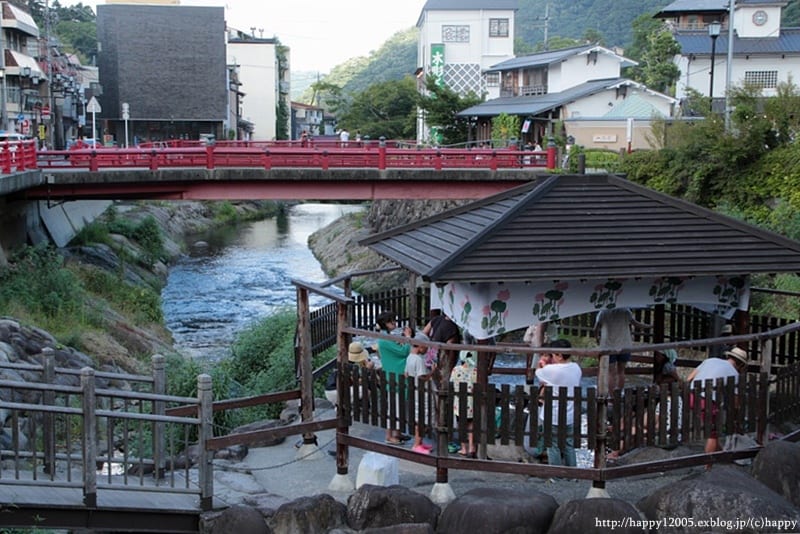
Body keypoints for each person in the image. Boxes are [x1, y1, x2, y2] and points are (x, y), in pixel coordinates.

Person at [685, 346, 749, 459]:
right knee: (713, 434)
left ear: (729, 356)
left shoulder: (710, 360)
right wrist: (736, 416)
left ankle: (720, 454)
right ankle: (708, 466)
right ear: (741, 365)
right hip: (707, 401)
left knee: (713, 430)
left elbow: (689, 378)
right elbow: (735, 401)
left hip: (691, 395)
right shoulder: (734, 373)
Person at [535, 339, 582, 467]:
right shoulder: (576, 368)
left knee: (552, 446)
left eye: (554, 355)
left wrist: (542, 364)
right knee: (568, 445)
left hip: (552, 414)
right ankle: (573, 473)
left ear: (560, 356)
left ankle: (555, 475)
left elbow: (538, 373)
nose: (553, 358)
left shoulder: (552, 370)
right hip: (569, 414)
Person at [376, 310, 413, 444]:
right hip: (395, 375)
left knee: (399, 405)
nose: (395, 323)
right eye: (392, 321)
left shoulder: (386, 337)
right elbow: (404, 351)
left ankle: (397, 433)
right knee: (394, 406)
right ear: (386, 323)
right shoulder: (385, 339)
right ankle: (389, 436)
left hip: (396, 374)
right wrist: (408, 337)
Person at [594, 307, 651, 391]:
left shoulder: (603, 312)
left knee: (611, 373)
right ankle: (619, 393)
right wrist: (650, 326)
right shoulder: (625, 311)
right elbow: (636, 324)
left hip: (608, 345)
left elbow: (595, 328)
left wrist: (597, 339)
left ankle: (611, 396)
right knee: (621, 372)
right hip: (624, 345)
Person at [405, 333, 434, 454]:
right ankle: (416, 444)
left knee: (419, 418)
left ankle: (420, 442)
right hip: (422, 393)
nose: (427, 350)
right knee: (422, 420)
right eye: (426, 347)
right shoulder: (419, 360)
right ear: (421, 346)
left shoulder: (409, 357)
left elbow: (406, 373)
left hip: (414, 391)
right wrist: (433, 371)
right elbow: (422, 377)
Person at [324, 341, 374, 407]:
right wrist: (367, 370)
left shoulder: (344, 361)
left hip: (329, 391)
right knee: (366, 391)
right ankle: (357, 409)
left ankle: (342, 408)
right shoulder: (350, 365)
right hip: (336, 392)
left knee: (358, 389)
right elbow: (357, 381)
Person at [451, 350, 478, 457]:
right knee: (471, 425)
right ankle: (472, 447)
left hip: (459, 402)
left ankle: (464, 448)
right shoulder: (475, 371)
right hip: (471, 402)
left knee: (461, 426)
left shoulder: (455, 370)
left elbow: (452, 383)